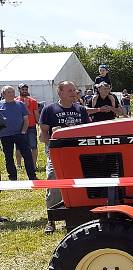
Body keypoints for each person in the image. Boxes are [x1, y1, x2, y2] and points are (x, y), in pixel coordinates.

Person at [39, 81, 90, 234]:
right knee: (54, 183)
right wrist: (53, 144)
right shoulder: (49, 110)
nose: (74, 92)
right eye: (70, 90)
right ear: (59, 92)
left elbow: (87, 131)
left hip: (78, 155)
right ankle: (51, 221)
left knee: (78, 187)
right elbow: (43, 135)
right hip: (57, 154)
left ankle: (75, 219)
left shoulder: (81, 110)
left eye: (74, 90)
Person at [0, 85, 37, 181]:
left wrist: (23, 131)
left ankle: (32, 177)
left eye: (12, 92)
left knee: (27, 155)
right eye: (9, 92)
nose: (12, 94)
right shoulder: (0, 105)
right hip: (5, 135)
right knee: (8, 157)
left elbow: (26, 120)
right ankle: (12, 178)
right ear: (3, 94)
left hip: (20, 134)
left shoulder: (20, 104)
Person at [15, 83, 39, 171]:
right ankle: (18, 165)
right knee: (18, 147)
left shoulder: (33, 101)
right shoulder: (15, 101)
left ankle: (33, 164)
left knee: (33, 146)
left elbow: (36, 113)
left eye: (26, 89)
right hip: (19, 127)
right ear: (19, 90)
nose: (24, 91)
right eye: (23, 89)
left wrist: (39, 122)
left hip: (31, 126)